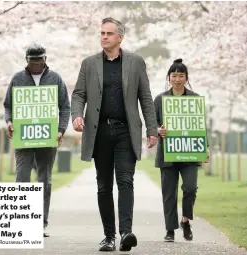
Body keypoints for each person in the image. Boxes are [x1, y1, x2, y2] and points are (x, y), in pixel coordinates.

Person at [71, 17, 158, 252]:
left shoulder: (135, 62)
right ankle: (108, 236)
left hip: (125, 131)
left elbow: (146, 98)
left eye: (109, 34)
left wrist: (152, 130)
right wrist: (77, 115)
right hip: (99, 132)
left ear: (120, 37)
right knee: (103, 185)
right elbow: (79, 94)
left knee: (125, 180)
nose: (104, 37)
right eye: (101, 33)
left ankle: (126, 233)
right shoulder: (88, 64)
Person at [3, 43, 70, 237]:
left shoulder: (55, 78)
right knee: (22, 178)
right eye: (33, 61)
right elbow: (8, 105)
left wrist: (60, 130)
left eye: (40, 61)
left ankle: (41, 223)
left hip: (48, 137)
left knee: (44, 180)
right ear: (27, 61)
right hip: (24, 136)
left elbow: (64, 107)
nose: (37, 64)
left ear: (45, 60)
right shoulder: (17, 78)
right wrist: (9, 121)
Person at [153, 58, 210, 242]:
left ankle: (185, 220)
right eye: (174, 76)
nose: (177, 79)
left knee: (190, 188)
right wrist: (157, 130)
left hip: (190, 153)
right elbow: (152, 122)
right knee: (169, 193)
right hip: (168, 153)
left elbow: (200, 125)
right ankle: (170, 230)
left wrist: (205, 148)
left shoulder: (194, 99)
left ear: (187, 78)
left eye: (181, 76)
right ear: (168, 78)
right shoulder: (160, 99)